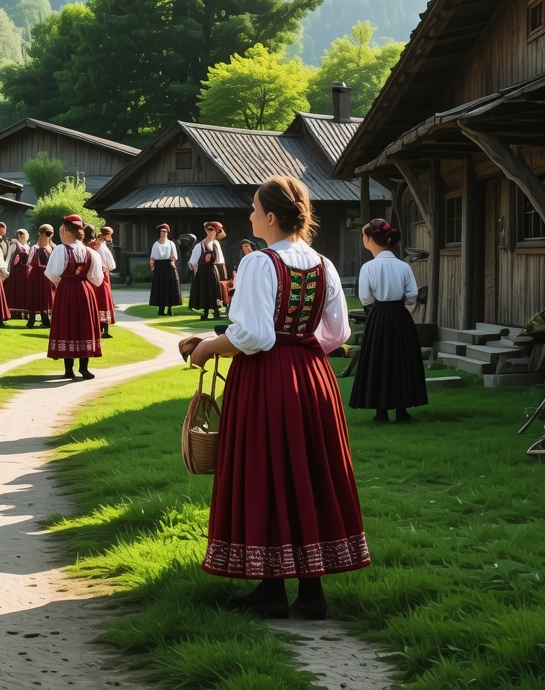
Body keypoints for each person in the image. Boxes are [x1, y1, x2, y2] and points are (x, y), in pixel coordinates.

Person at [179, 176, 369, 620]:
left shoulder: (259, 263)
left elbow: (256, 336)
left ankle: (271, 590)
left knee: (265, 470)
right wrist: (299, 351)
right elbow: (337, 333)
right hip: (314, 378)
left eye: (253, 208)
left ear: (269, 216)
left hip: (266, 380)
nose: (249, 215)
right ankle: (311, 592)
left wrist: (207, 348)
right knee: (308, 472)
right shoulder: (324, 263)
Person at [348, 218, 428, 423]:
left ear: (370, 240)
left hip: (378, 317)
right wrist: (402, 314)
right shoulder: (403, 266)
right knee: (402, 361)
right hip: (401, 316)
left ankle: (381, 411)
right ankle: (402, 410)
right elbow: (412, 296)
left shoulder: (368, 267)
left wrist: (380, 311)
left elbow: (365, 299)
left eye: (364, 236)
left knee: (378, 360)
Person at [46, 214, 104, 378]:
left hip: (66, 290)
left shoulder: (60, 250)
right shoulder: (90, 252)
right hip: (85, 291)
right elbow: (97, 279)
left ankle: (69, 370)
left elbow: (52, 273)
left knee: (67, 324)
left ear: (65, 230)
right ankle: (84, 368)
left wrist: (66, 281)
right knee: (84, 325)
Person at [188, 221, 228, 321]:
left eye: (213, 230)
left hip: (213, 271)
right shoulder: (199, 246)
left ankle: (216, 312)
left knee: (215, 291)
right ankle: (205, 313)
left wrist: (223, 274)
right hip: (202, 272)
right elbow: (193, 262)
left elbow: (220, 260)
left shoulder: (216, 244)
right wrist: (195, 271)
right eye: (209, 230)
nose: (211, 232)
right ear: (206, 231)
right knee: (204, 291)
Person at [88, 225, 118, 338]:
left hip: (96, 274)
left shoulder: (94, 245)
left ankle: (100, 327)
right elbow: (111, 264)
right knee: (104, 300)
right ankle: (103, 328)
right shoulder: (101, 247)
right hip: (102, 274)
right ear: (107, 235)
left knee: (99, 299)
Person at [25, 224, 55, 328]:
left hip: (47, 276)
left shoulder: (51, 248)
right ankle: (32, 319)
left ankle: (45, 320)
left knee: (46, 297)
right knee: (35, 296)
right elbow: (29, 262)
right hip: (36, 275)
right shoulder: (35, 248)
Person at [149, 223, 181, 316]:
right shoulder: (156, 244)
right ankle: (161, 309)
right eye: (162, 231)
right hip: (159, 267)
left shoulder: (171, 243)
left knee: (170, 287)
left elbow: (174, 257)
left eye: (165, 232)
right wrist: (152, 267)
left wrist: (173, 264)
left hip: (168, 266)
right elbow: (152, 258)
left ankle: (170, 308)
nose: (164, 233)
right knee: (160, 288)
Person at [3, 228, 32, 320]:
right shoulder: (14, 245)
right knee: (15, 290)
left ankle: (24, 311)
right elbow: (8, 258)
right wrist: (5, 269)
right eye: (20, 234)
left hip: (25, 272)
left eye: (23, 234)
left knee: (24, 290)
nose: (21, 236)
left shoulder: (28, 247)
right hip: (16, 272)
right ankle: (15, 312)